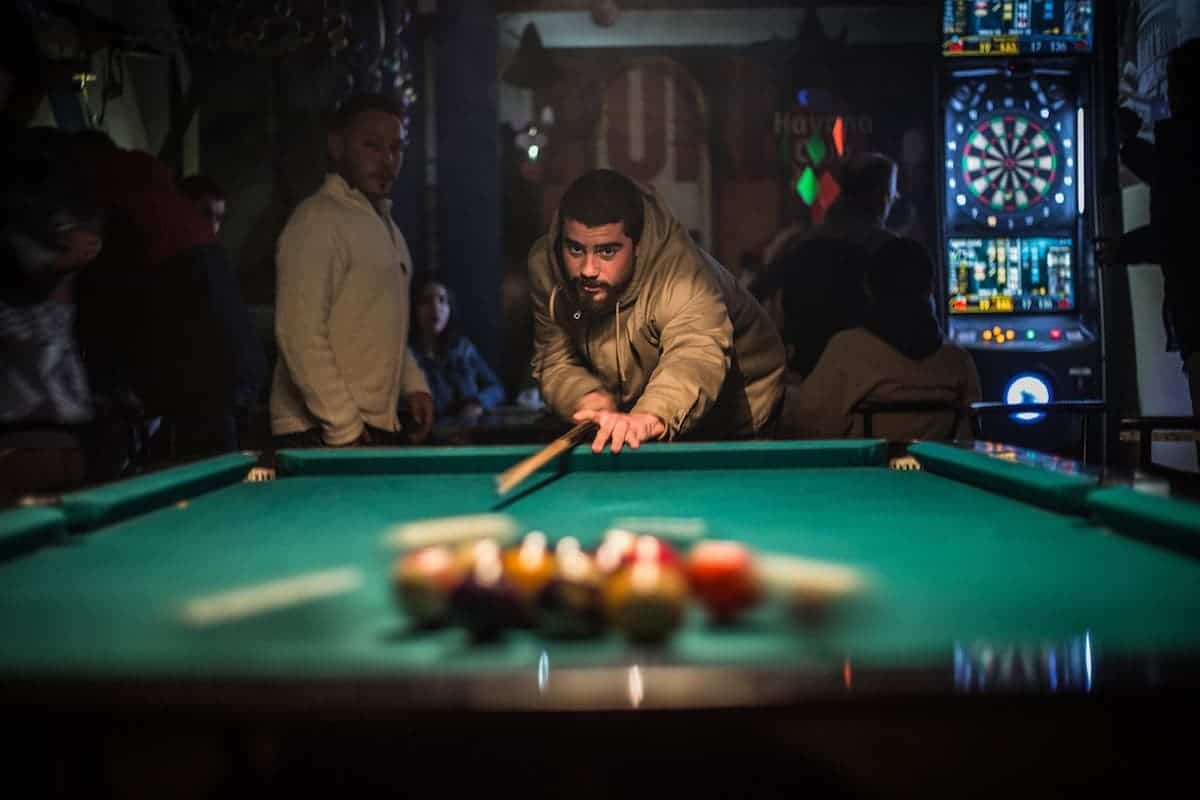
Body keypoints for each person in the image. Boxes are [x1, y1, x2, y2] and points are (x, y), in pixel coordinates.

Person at [528, 168, 785, 454]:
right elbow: (554, 357)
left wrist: (650, 416)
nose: (588, 269)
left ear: (637, 246)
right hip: (637, 404)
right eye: (575, 249)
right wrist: (587, 397)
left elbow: (695, 354)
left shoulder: (682, 276)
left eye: (607, 251)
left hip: (738, 405)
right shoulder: (546, 267)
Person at [271, 92, 433, 448]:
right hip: (319, 430)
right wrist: (343, 425)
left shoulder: (386, 225)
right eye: (372, 146)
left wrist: (413, 385)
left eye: (396, 147)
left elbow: (384, 326)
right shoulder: (317, 219)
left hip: (363, 425)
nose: (388, 161)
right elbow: (298, 334)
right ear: (336, 146)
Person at [780, 237, 980, 441]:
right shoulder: (958, 361)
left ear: (869, 288)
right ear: (930, 288)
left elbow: (810, 426)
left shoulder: (848, 350)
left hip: (865, 471)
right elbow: (969, 435)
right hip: (936, 470)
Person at [1104, 38, 1200, 416]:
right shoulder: (1182, 145)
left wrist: (1120, 250)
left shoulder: (1183, 142)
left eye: (1172, 81)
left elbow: (1179, 227)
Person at [751, 152, 900, 382]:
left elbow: (753, 295)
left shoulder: (800, 244)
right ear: (880, 198)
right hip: (870, 382)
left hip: (808, 378)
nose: (890, 202)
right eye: (891, 195)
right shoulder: (891, 251)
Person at [410, 272, 505, 420]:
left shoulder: (463, 349)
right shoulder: (407, 355)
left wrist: (479, 403)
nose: (435, 307)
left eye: (442, 300)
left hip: (468, 434)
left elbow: (496, 388)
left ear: (450, 307)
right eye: (427, 301)